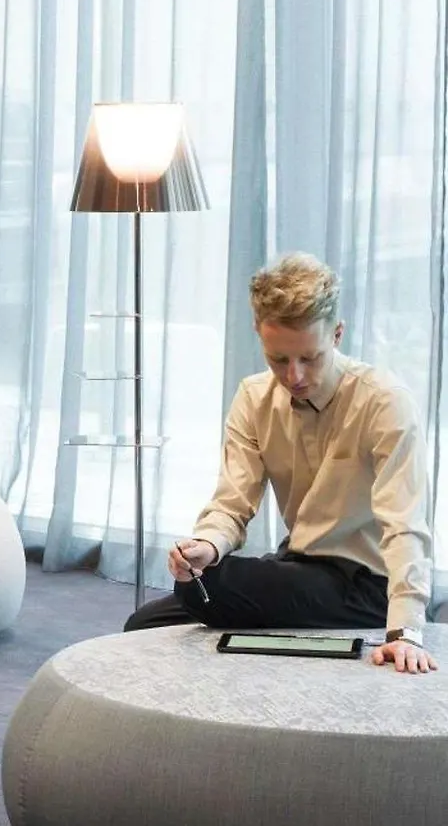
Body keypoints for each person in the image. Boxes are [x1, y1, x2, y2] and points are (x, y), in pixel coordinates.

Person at [123, 253, 436, 674]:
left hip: (368, 583)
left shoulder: (384, 401)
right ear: (259, 334)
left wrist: (405, 630)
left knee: (208, 588)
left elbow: (405, 524)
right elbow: (232, 504)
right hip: (300, 567)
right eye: (279, 360)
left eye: (310, 358)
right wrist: (206, 547)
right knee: (144, 624)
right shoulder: (254, 398)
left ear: (337, 334)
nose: (295, 377)